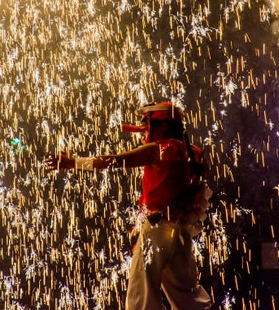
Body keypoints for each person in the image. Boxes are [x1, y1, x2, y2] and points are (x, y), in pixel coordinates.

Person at [45, 102, 212, 310]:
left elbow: (113, 161)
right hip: (180, 233)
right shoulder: (194, 153)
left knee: (142, 292)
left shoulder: (158, 149)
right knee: (187, 294)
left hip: (156, 229)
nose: (144, 133)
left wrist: (73, 162)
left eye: (147, 127)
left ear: (163, 126)